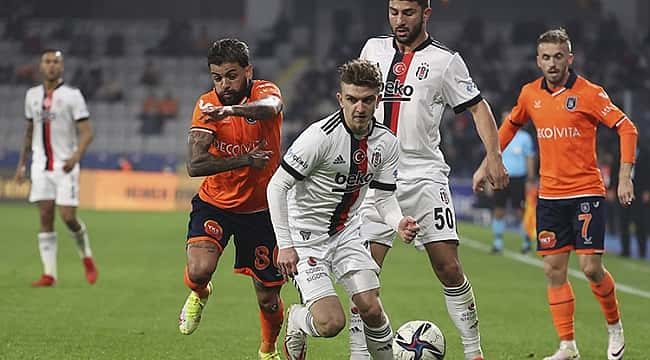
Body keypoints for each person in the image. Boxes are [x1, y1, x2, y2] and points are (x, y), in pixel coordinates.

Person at [352, 1, 509, 359]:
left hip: (423, 175)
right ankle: (358, 355)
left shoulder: (445, 60)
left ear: (426, 13)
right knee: (362, 279)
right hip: (374, 178)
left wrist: (493, 156)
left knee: (449, 267)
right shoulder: (372, 50)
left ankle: (474, 353)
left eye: (407, 12)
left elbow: (477, 106)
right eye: (393, 11)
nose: (399, 20)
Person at [475, 28, 637, 360]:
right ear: (538, 60)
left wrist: (624, 176)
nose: (552, 63)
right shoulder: (529, 94)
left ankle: (615, 326)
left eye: (558, 56)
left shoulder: (590, 94)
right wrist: (485, 163)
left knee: (591, 268)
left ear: (570, 58)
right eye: (546, 57)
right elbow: (509, 126)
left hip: (586, 193)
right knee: (553, 270)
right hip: (550, 197)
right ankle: (567, 346)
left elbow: (627, 127)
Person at [267, 59, 420, 360]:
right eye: (351, 99)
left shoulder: (387, 143)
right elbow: (276, 187)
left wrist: (398, 221)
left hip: (347, 233)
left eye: (366, 100)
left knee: (371, 308)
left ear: (378, 99)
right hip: (306, 238)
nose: (359, 108)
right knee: (331, 323)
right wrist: (285, 245)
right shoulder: (319, 138)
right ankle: (297, 319)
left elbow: (384, 198)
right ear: (340, 99)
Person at [179, 38, 285, 360]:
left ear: (248, 71)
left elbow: (272, 109)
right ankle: (200, 293)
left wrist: (230, 111)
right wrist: (244, 160)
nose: (223, 84)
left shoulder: (265, 91)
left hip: (262, 209)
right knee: (199, 271)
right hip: (216, 203)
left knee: (268, 296)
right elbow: (195, 165)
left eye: (231, 75)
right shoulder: (205, 106)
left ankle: (267, 350)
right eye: (216, 77)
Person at [14, 49, 97, 287]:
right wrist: (22, 164)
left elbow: (87, 132)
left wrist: (76, 156)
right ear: (41, 66)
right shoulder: (31, 96)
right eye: (47, 61)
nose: (51, 66)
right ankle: (49, 274)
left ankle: (87, 256)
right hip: (40, 165)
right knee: (45, 215)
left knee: (68, 217)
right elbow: (29, 131)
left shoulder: (73, 96)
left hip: (65, 166)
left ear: (62, 67)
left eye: (56, 62)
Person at [490, 121, 536, 254]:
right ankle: (497, 243)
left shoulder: (524, 138)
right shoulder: (498, 136)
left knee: (520, 211)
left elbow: (529, 158)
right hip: (501, 177)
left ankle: (526, 242)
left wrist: (531, 178)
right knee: (499, 210)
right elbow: (491, 157)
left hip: (518, 179)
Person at [616, 144, 648, 259]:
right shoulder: (621, 152)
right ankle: (625, 250)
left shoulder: (645, 153)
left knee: (640, 223)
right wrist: (612, 188)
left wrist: (647, 190)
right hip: (624, 191)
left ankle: (642, 252)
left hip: (639, 192)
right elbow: (615, 169)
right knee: (623, 222)